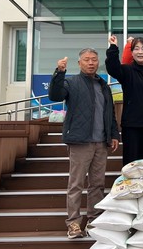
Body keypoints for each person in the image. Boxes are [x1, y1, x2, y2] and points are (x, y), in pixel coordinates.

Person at [48, 48, 120, 239]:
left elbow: (110, 113)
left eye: (94, 60)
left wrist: (114, 134)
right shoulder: (71, 82)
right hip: (80, 141)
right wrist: (59, 72)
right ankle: (73, 223)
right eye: (86, 60)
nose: (91, 63)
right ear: (79, 63)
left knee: (97, 184)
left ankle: (93, 220)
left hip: (101, 142)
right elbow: (55, 95)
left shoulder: (103, 85)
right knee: (76, 184)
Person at [105, 36, 143, 164]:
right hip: (131, 126)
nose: (140, 52)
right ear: (131, 52)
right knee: (131, 164)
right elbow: (112, 68)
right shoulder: (126, 70)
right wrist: (113, 48)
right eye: (136, 49)